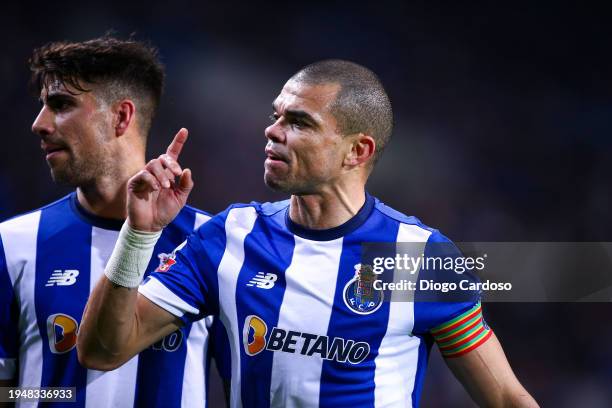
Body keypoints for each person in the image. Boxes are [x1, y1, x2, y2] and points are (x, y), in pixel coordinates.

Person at [77, 60, 538, 407]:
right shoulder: (229, 237)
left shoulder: (420, 256)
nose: (272, 131)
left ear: (357, 151)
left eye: (298, 122)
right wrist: (138, 235)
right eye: (277, 116)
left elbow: (504, 398)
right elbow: (101, 350)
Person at [0, 36, 227, 407]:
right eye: (42, 106)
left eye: (60, 105)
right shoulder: (12, 243)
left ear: (121, 116)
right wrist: (58, 395)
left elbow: (247, 384)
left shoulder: (210, 243)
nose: (38, 124)